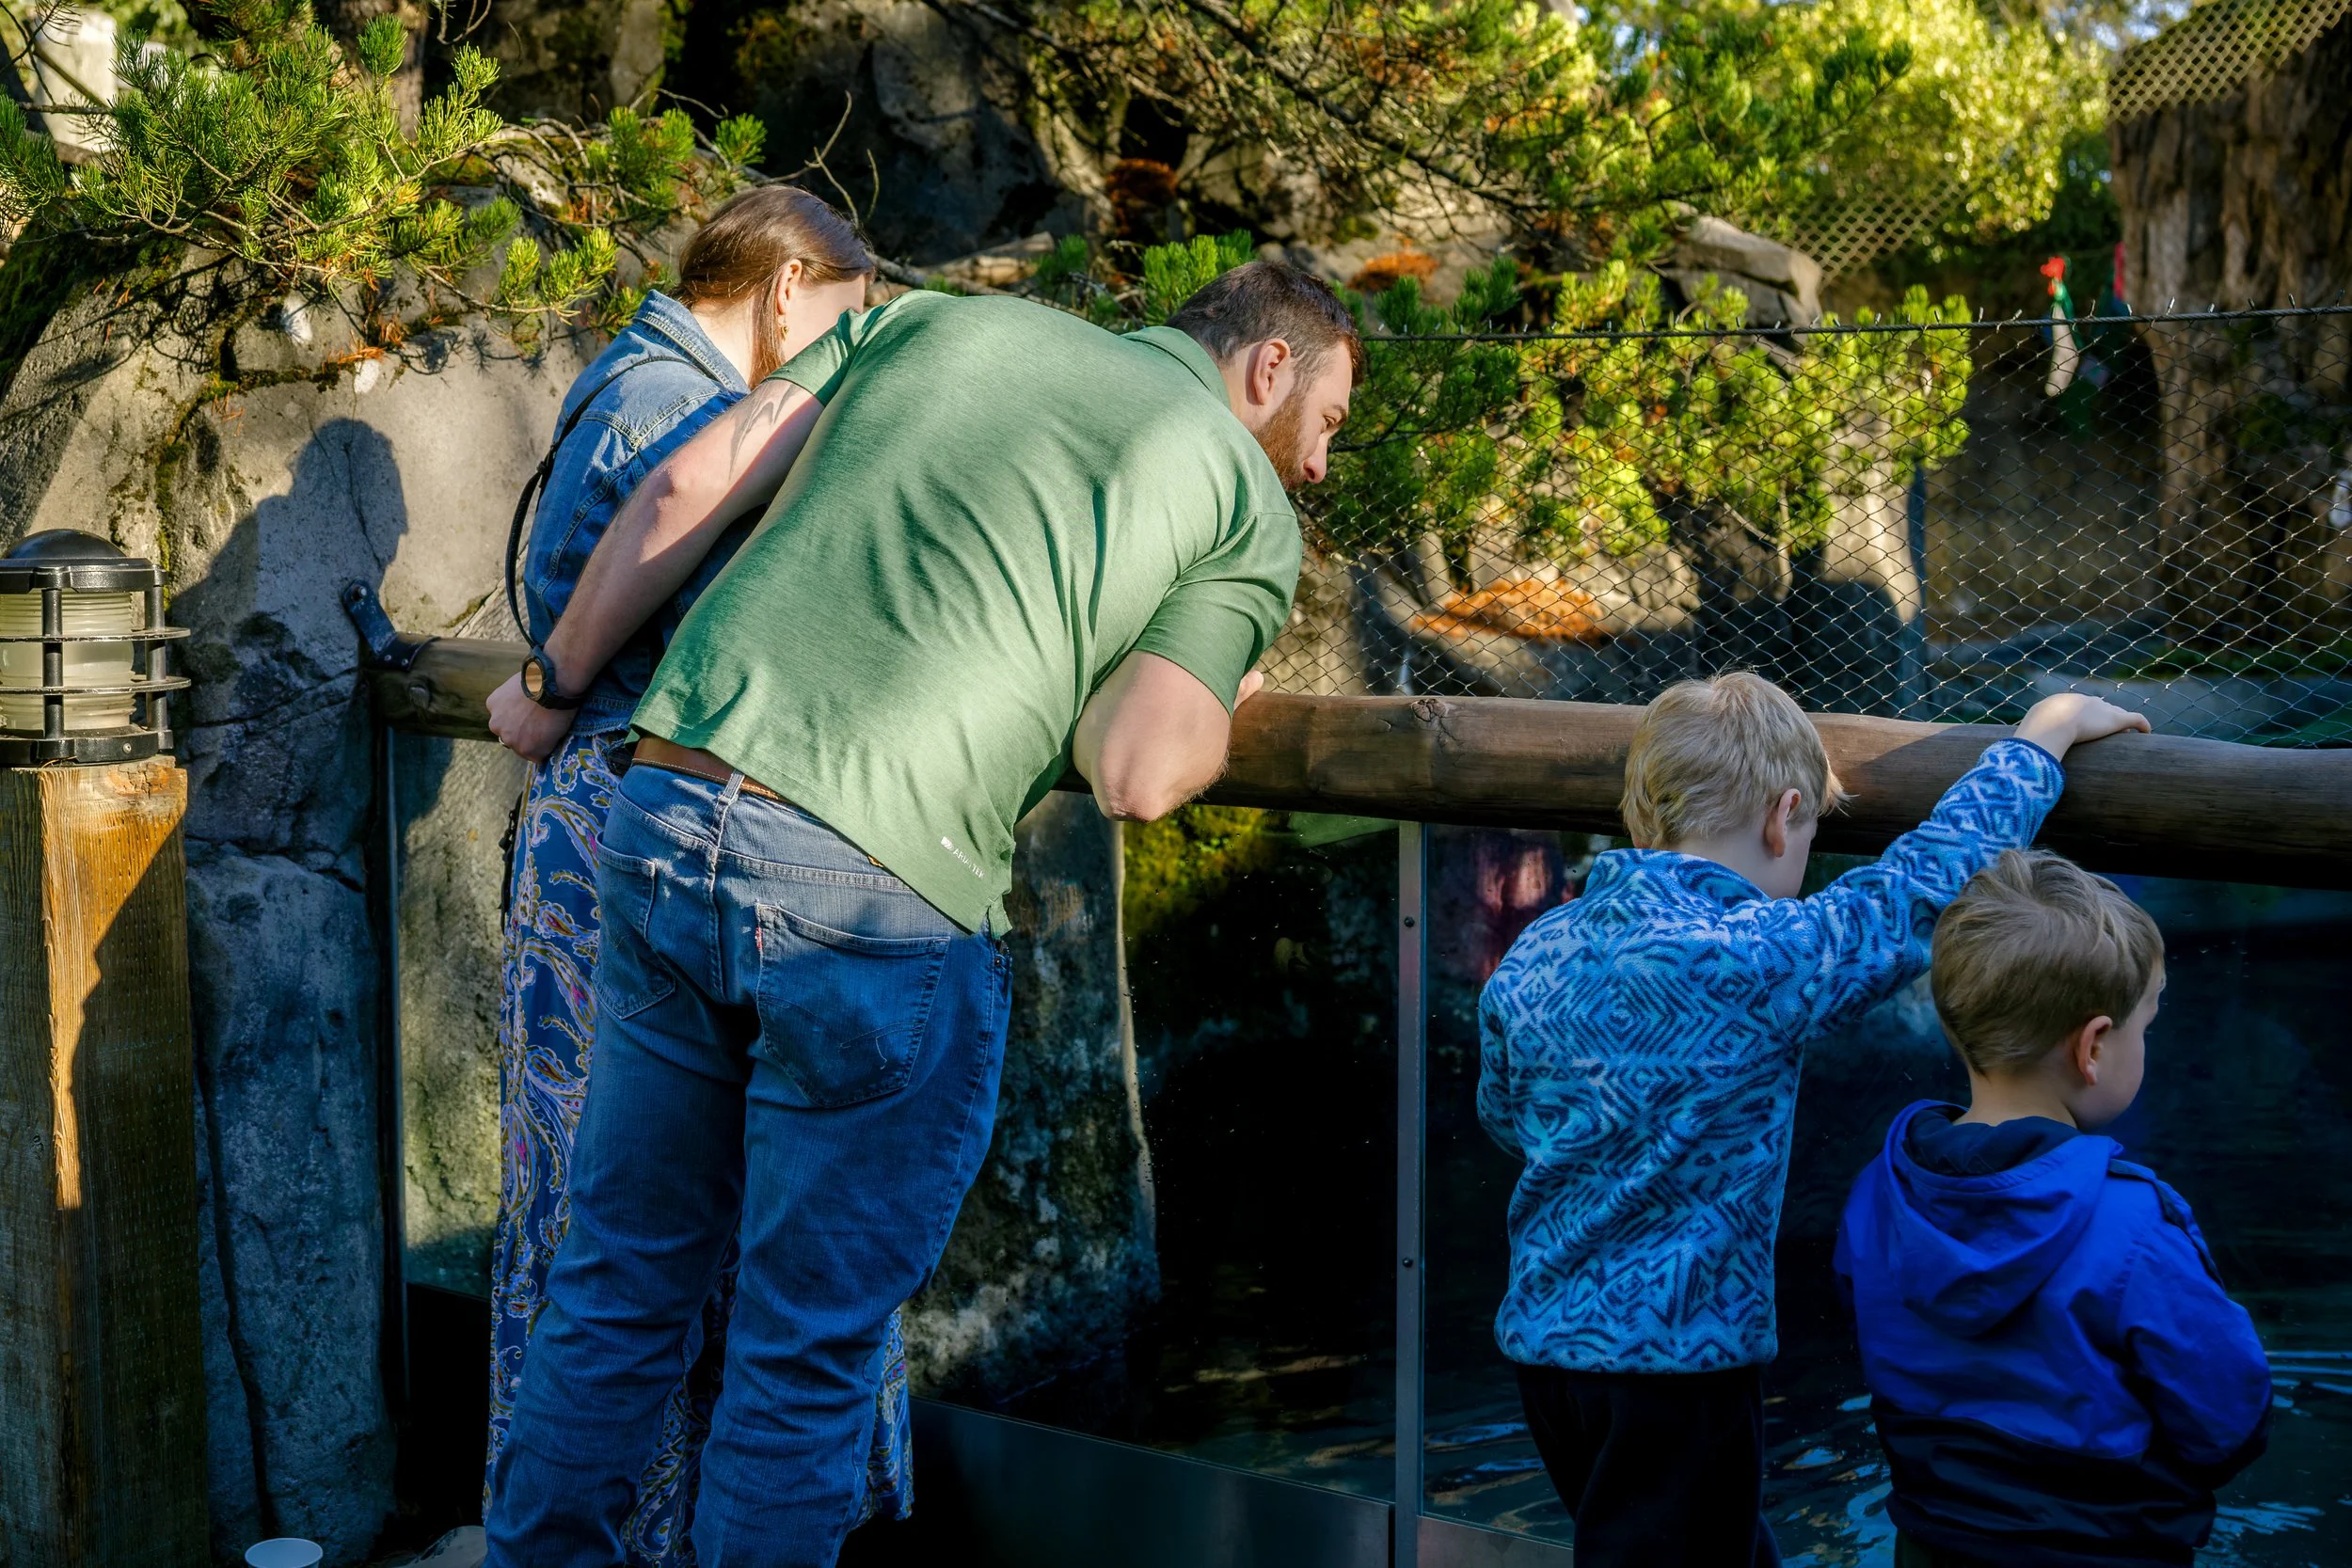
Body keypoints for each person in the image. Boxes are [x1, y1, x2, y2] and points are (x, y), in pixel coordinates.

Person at [481, 260, 1363, 1566]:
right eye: (1331, 424)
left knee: (617, 1284)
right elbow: (1139, 765)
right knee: (801, 1353)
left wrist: (553, 682)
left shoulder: (941, 318)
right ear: (1270, 366)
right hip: (871, 884)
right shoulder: (1240, 500)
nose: (1321, 467)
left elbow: (685, 481)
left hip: (668, 799)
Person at [1474, 672, 2153, 1568]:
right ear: (1781, 814)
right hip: (1678, 1367)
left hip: (1547, 1353)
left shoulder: (1537, 952)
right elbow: (1922, 885)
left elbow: (1503, 1112)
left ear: (1644, 815)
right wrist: (2044, 736)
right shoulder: (1759, 957)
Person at [491, 184, 899, 1564]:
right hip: (643, 825)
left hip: (603, 826)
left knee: (607, 1219)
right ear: (790, 286)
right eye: (843, 316)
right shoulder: (677, 402)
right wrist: (554, 680)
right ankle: (651, 1531)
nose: (843, 348)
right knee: (636, 1227)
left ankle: (605, 1525)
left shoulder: (628, 373)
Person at [1836, 850, 2272, 1568]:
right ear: (2094, 1044)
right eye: (2144, 1028)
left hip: (1930, 1544)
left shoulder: (1877, 1197)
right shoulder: (2133, 1228)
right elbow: (2229, 1421)